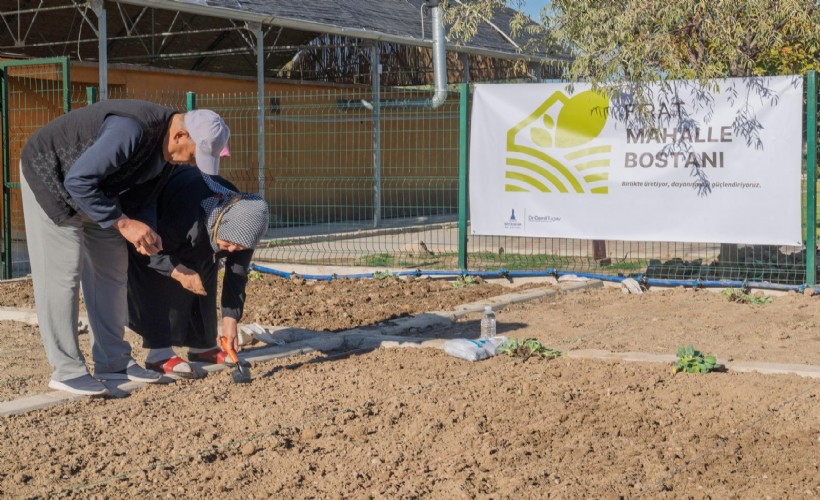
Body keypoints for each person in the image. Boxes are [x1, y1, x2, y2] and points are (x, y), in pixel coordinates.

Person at [20, 99, 230, 396]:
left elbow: (144, 197)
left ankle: (113, 361)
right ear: (180, 136)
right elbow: (78, 181)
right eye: (195, 155)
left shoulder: (166, 157)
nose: (194, 164)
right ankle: (67, 370)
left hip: (98, 194)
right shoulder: (131, 129)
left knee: (113, 268)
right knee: (64, 273)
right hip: (51, 178)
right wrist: (123, 224)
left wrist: (145, 231)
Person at [124, 166, 269, 377]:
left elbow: (236, 276)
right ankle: (159, 353)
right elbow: (148, 251)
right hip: (156, 220)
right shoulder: (185, 212)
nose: (231, 250)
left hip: (199, 228)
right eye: (229, 243)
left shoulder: (246, 223)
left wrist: (230, 320)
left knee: (206, 266)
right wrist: (178, 271)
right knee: (163, 275)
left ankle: (203, 346)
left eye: (239, 248)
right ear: (219, 223)